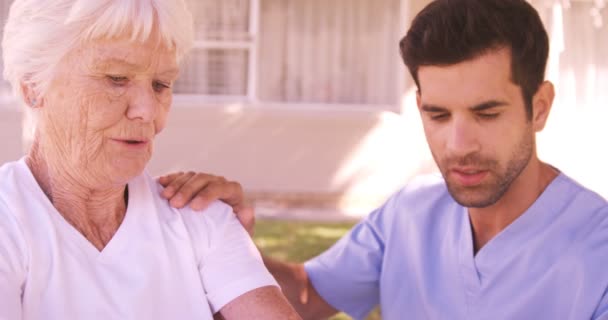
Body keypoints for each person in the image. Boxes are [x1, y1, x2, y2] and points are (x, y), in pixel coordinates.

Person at [163, 0, 608, 319]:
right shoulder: (410, 214)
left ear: (540, 107)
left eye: (486, 113)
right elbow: (305, 296)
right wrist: (228, 246)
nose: (458, 144)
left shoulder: (598, 250)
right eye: (438, 114)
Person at [0, 1, 301, 319]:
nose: (148, 110)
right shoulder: (9, 221)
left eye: (161, 85)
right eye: (116, 78)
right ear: (33, 85)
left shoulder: (199, 215)